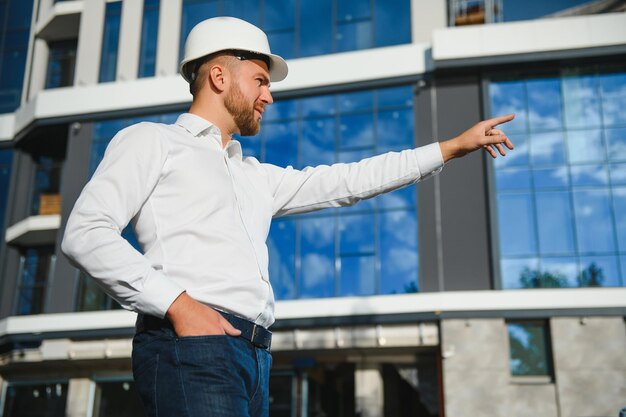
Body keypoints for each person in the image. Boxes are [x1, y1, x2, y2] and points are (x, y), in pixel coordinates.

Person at [62, 16, 514, 417]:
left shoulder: (255, 176)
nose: (269, 97)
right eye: (260, 80)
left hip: (255, 355)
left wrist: (450, 148)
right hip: (191, 345)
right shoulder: (151, 141)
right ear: (219, 76)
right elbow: (85, 233)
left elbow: (349, 181)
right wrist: (179, 307)